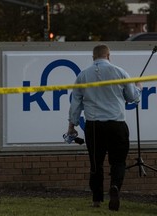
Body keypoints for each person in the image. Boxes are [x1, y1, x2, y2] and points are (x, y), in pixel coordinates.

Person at [67, 44, 142, 211]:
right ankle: (115, 186)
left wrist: (71, 127)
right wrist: (138, 87)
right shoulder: (121, 72)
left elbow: (75, 105)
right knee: (118, 162)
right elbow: (132, 98)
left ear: (93, 57)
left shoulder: (83, 75)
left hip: (94, 127)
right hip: (117, 124)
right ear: (109, 56)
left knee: (96, 163)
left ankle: (96, 199)